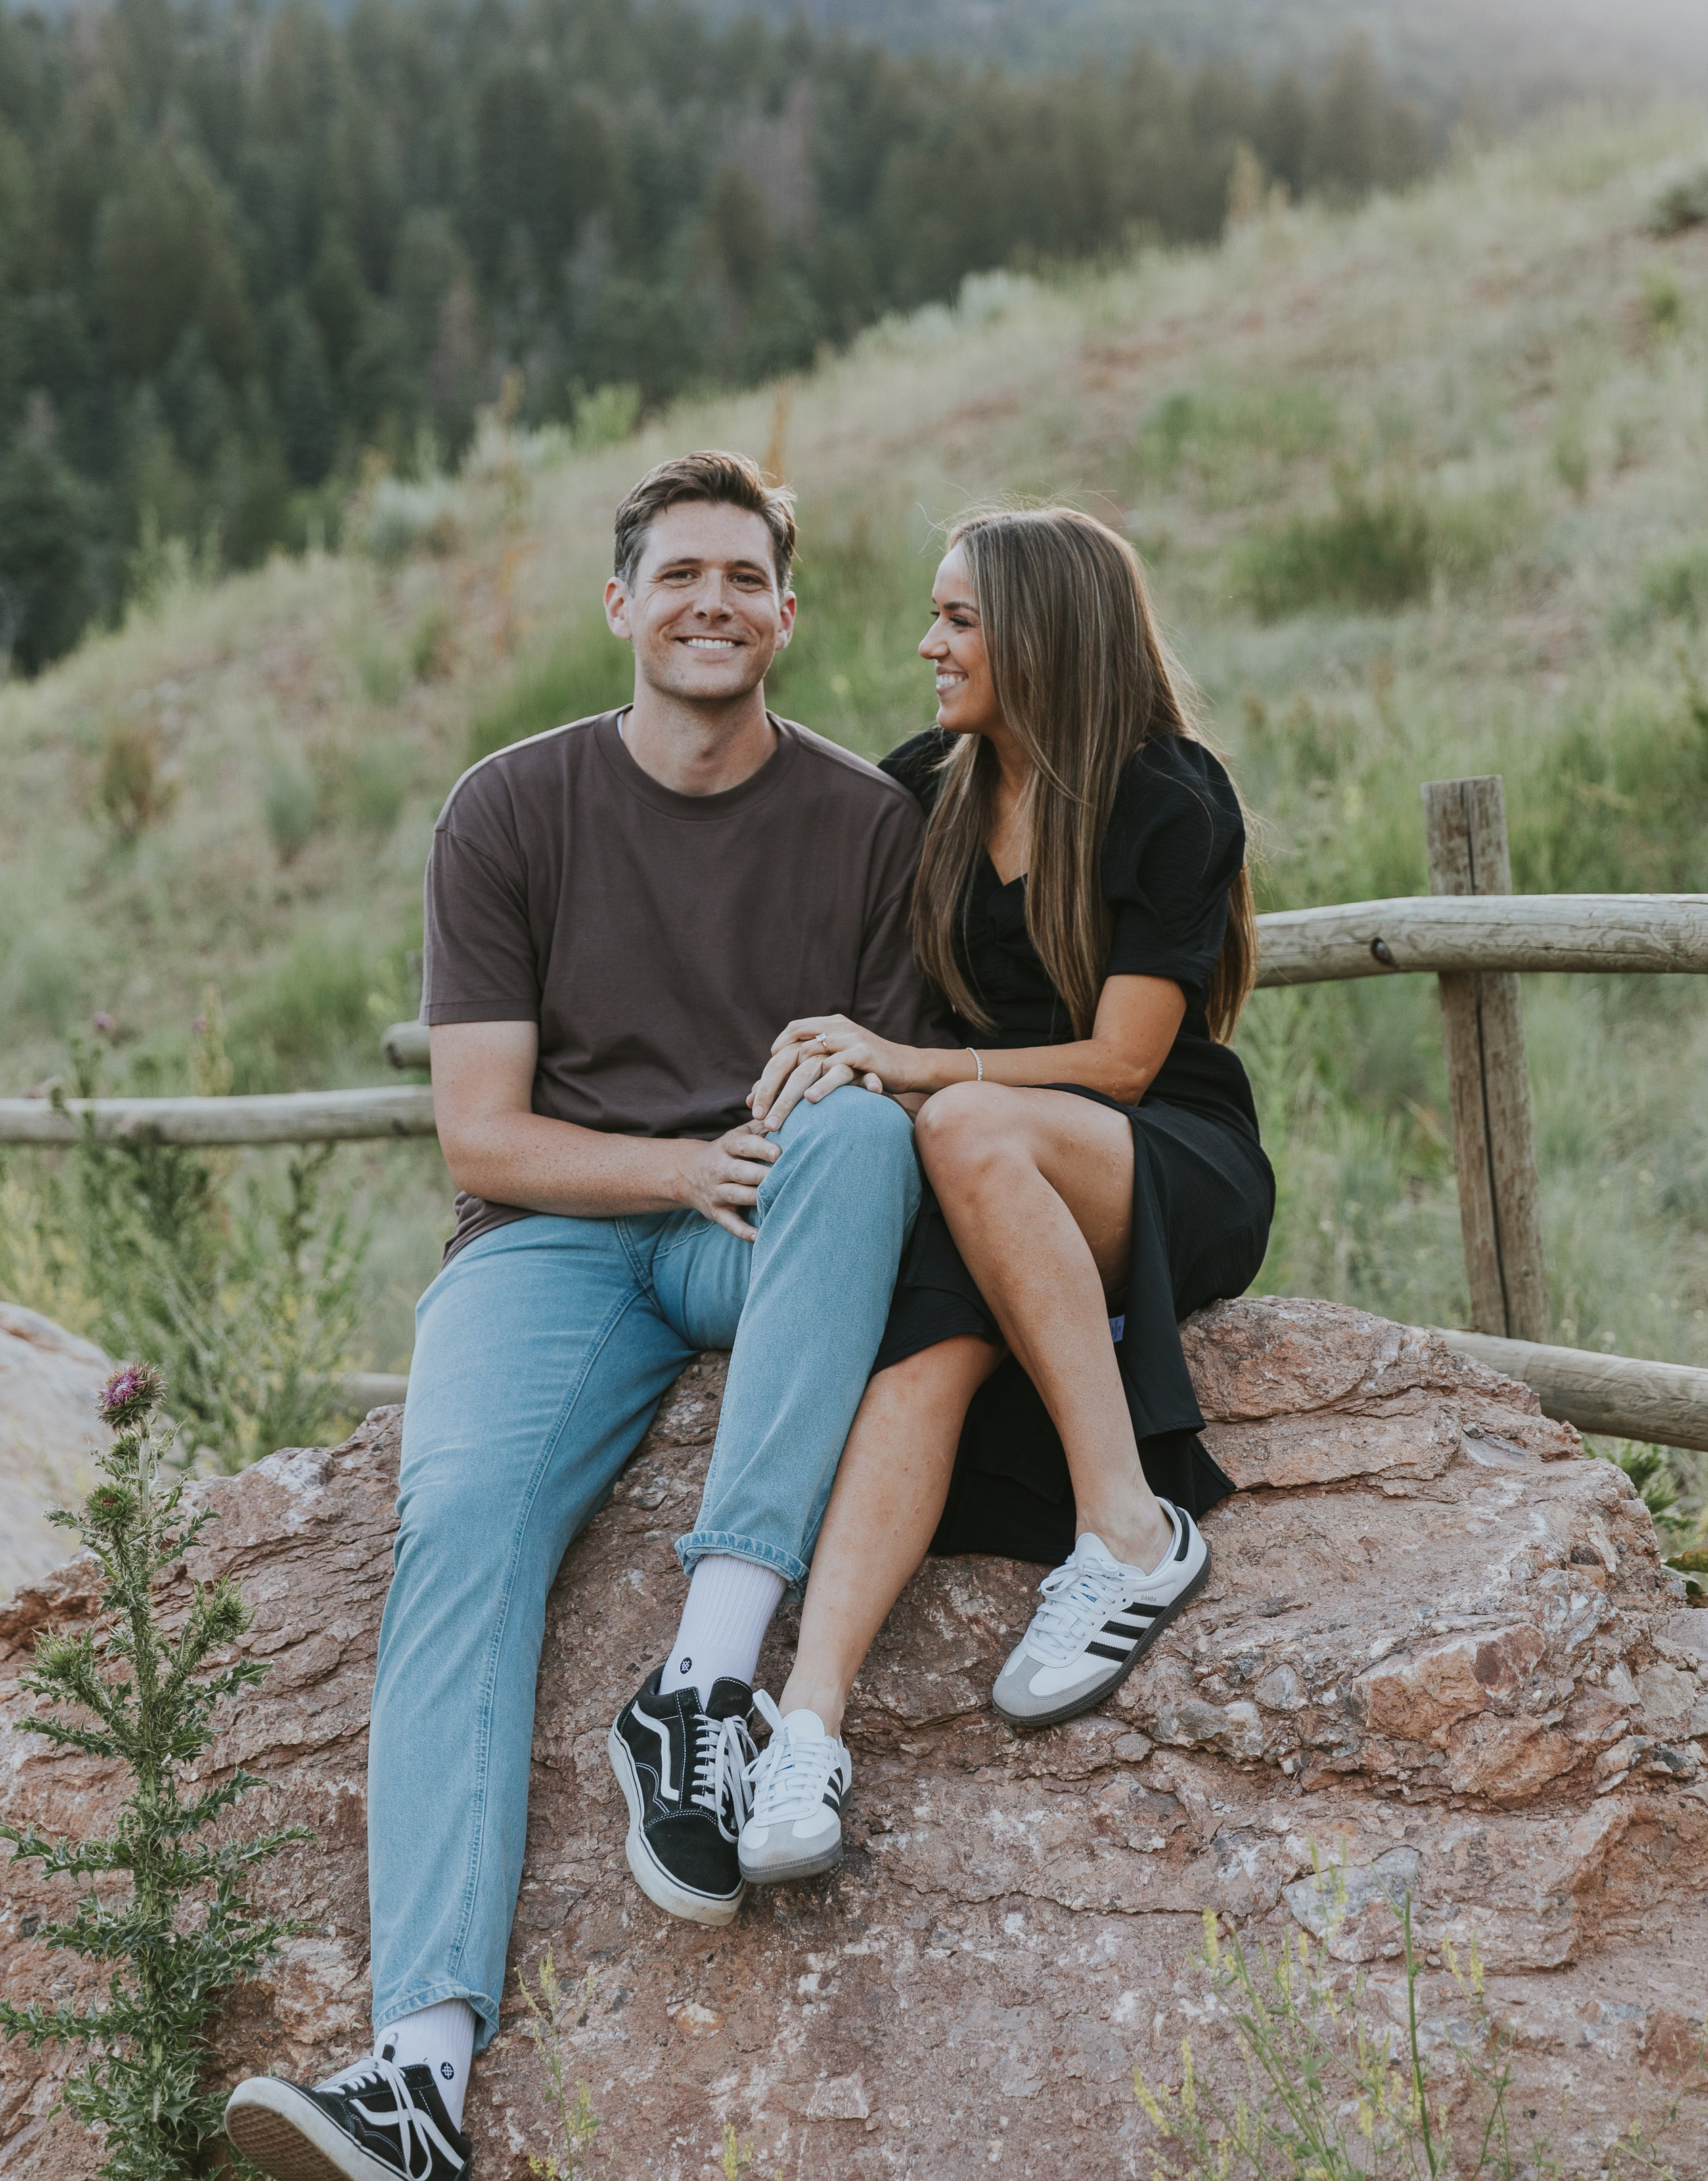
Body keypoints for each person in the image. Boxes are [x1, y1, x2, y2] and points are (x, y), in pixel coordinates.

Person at [225, 450, 941, 2181]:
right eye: (676, 572)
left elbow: (886, 1099)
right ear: (619, 605)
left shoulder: (864, 824)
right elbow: (479, 1131)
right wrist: (672, 1164)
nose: (711, 601)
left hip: (758, 1229)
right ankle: (417, 2079)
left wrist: (742, 1167)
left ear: (785, 610)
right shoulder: (509, 809)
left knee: (855, 1125)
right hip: (548, 1247)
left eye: (743, 575)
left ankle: (700, 1681)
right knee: (458, 1528)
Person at [729, 507, 1274, 1885]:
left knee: (965, 1123)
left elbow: (1126, 1060)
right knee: (916, 1364)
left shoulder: (1167, 792)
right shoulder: (930, 786)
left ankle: (1128, 1531)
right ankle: (806, 1728)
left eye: (957, 619)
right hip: (976, 1167)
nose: (927, 643)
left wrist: (912, 1071)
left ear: (1041, 632)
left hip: (1151, 1158)